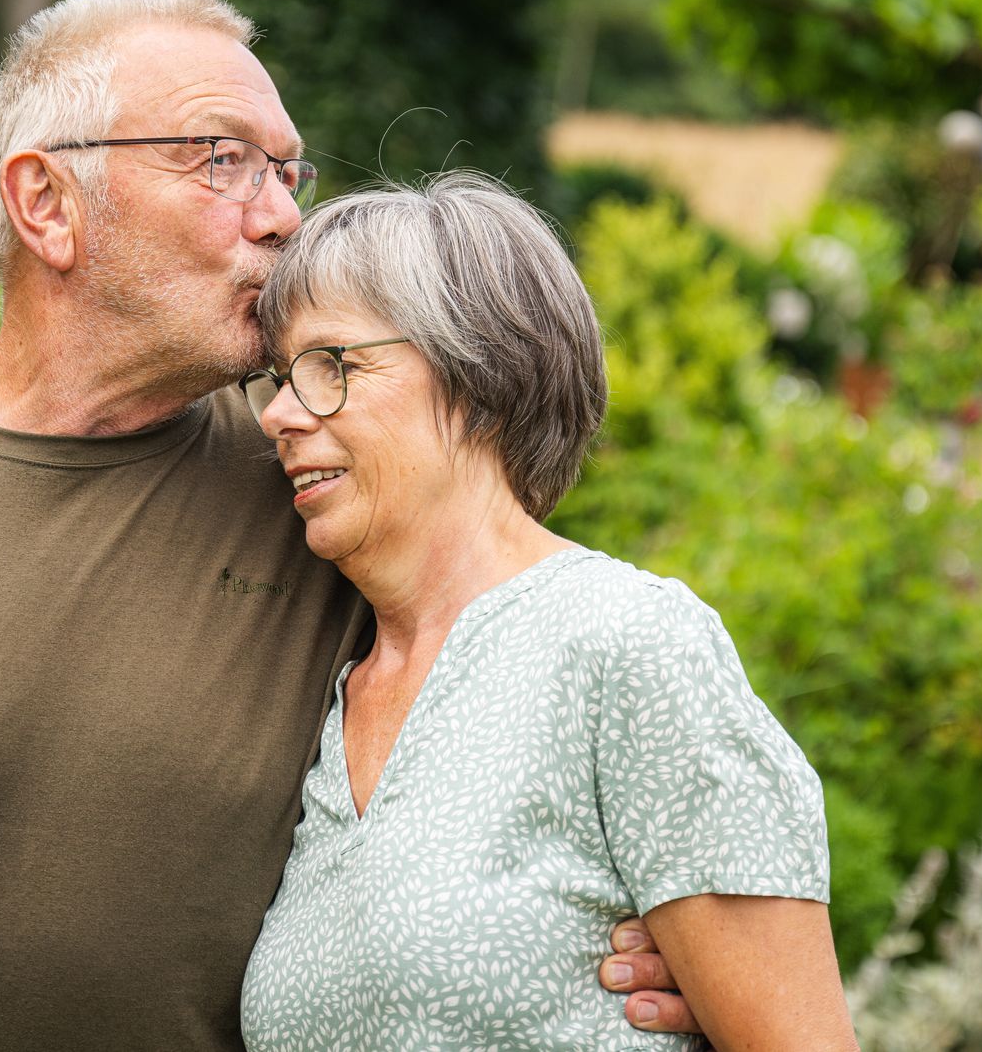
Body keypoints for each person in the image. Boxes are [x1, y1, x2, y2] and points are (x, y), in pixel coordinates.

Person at [0, 0, 694, 1050]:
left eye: (286, 170)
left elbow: (555, 676)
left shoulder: (324, 487)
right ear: (46, 202)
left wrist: (642, 940)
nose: (282, 216)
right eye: (222, 161)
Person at [237, 173, 858, 1050]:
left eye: (332, 366)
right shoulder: (328, 686)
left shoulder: (626, 644)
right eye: (279, 379)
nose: (281, 417)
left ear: (478, 374)